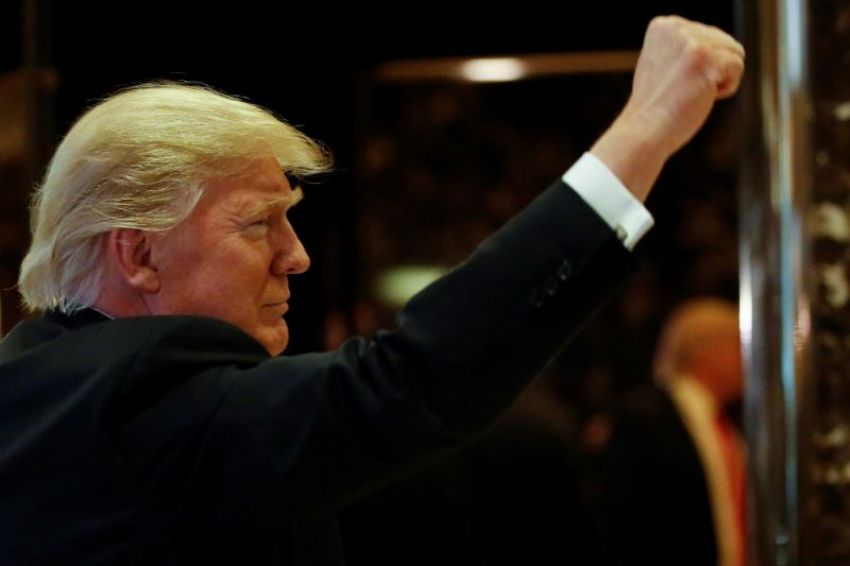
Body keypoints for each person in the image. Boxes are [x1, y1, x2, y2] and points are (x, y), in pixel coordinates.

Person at [0, 16, 744, 565]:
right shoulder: (137, 399)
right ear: (139, 255)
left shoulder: (36, 387)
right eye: (258, 223)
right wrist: (647, 129)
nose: (296, 256)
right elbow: (410, 378)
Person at [596, 298, 745, 565]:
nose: (747, 363)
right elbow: (624, 523)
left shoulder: (728, 424)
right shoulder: (644, 418)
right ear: (711, 352)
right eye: (739, 348)